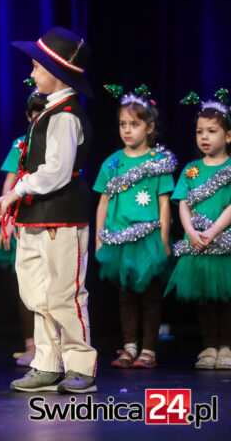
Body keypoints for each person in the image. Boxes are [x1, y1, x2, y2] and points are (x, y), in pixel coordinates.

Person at [0, 27, 98, 394]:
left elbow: (55, 171)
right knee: (37, 293)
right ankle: (48, 364)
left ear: (58, 72)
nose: (33, 74)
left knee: (64, 293)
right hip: (36, 216)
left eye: (38, 67)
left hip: (62, 214)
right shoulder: (47, 111)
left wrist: (14, 193)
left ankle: (80, 363)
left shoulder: (65, 115)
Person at [93, 84, 176, 369]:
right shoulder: (112, 162)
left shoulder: (158, 161)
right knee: (125, 294)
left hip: (148, 239)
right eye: (122, 124)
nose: (127, 130)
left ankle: (148, 349)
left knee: (150, 296)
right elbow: (103, 201)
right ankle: (129, 347)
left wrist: (164, 239)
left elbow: (164, 202)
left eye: (134, 124)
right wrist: (99, 238)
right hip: (118, 240)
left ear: (149, 127)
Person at [165, 89, 231, 370]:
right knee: (205, 298)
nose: (204, 137)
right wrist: (191, 232)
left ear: (227, 136)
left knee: (226, 299)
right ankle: (208, 346)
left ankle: (226, 347)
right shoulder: (191, 168)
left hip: (224, 242)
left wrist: (213, 231)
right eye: (199, 131)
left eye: (212, 131)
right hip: (198, 243)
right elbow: (182, 203)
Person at [0, 80, 47, 367]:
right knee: (26, 288)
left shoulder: (56, 144)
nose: (37, 119)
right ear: (27, 116)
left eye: (43, 113)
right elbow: (9, 183)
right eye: (33, 114)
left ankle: (53, 346)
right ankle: (31, 346)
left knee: (48, 288)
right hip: (20, 221)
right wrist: (6, 222)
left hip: (46, 219)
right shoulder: (20, 144)